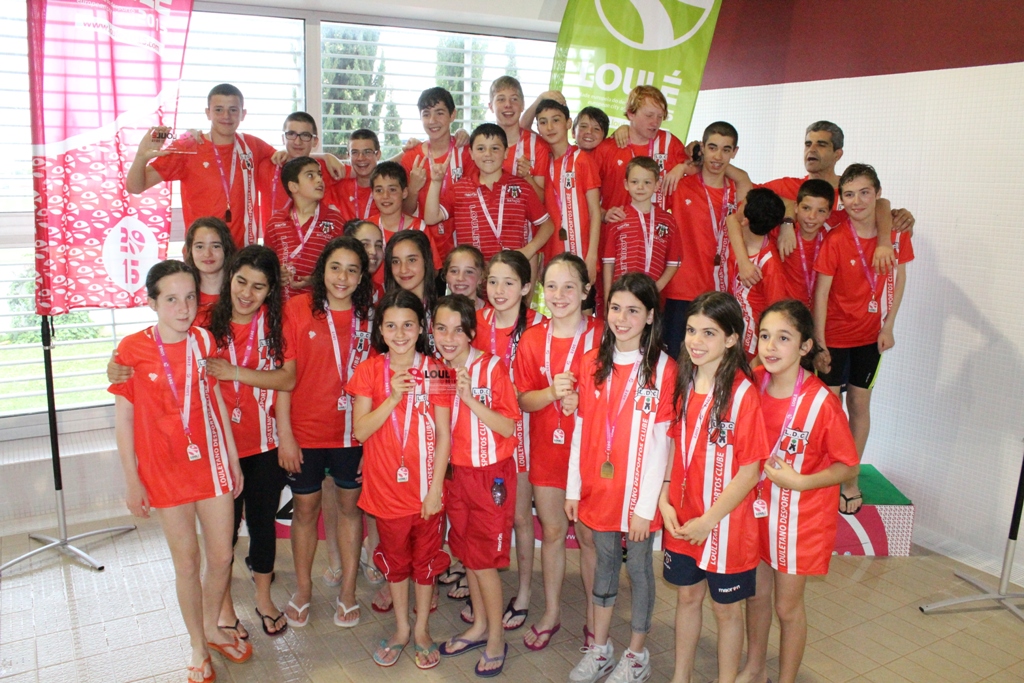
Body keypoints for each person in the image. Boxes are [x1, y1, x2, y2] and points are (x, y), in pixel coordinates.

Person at [111, 260, 248, 683]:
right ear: (152, 302)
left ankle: (211, 627)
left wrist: (232, 457)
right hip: (163, 470)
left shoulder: (205, 341)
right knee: (187, 563)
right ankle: (196, 645)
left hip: (210, 465)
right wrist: (132, 480)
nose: (184, 308)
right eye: (171, 299)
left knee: (222, 556)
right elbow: (124, 419)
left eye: (190, 297)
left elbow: (216, 401)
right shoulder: (131, 350)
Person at [737, 300, 859, 683]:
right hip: (755, 509)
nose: (771, 346)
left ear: (805, 346)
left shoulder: (822, 402)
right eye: (765, 336)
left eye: (784, 338)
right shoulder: (753, 383)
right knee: (756, 596)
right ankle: (755, 668)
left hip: (799, 521)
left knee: (787, 608)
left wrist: (801, 482)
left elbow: (848, 465)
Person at [565, 273, 677, 683]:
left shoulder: (664, 369)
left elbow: (662, 444)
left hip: (638, 497)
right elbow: (581, 428)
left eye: (633, 310)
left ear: (649, 316)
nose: (622, 318)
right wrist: (574, 488)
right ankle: (600, 649)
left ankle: (636, 654)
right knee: (605, 566)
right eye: (615, 308)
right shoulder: (592, 363)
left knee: (640, 571)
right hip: (599, 489)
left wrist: (645, 508)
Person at [659, 291, 769, 683]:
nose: (696, 341)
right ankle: (681, 677)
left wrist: (709, 520)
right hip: (683, 517)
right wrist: (664, 498)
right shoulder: (683, 381)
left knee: (726, 610)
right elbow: (674, 446)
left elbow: (750, 472)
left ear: (732, 338)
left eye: (709, 333)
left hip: (724, 524)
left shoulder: (742, 394)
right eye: (691, 330)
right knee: (687, 597)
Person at [349, 289, 451, 670]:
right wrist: (391, 398)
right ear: (380, 330)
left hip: (427, 491)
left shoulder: (438, 371)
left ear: (421, 328)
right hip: (386, 491)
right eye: (391, 326)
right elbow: (360, 431)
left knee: (425, 562)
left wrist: (436, 488)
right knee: (396, 562)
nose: (400, 333)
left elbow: (445, 435)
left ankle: (422, 630)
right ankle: (402, 629)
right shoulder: (369, 371)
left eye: (408, 325)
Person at [277, 236, 375, 629]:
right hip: (305, 431)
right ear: (322, 270)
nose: (343, 277)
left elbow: (380, 381)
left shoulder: (370, 318)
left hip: (354, 434)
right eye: (336, 267)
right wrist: (285, 434)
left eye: (352, 270)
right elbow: (284, 377)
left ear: (362, 277)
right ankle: (303, 590)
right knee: (305, 510)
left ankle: (348, 592)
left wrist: (374, 443)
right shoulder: (297, 309)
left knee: (351, 510)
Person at [203, 245, 295, 638]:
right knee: (222, 535)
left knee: (262, 524)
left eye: (258, 287)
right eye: (241, 281)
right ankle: (224, 607)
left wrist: (234, 372)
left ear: (270, 290)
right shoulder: (205, 323)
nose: (247, 293)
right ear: (230, 279)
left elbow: (287, 379)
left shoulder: (277, 326)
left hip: (264, 446)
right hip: (219, 449)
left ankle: (263, 598)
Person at [513, 253, 601, 651]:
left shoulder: (604, 335)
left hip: (591, 454)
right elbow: (523, 399)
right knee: (551, 532)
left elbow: (620, 394)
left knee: (588, 537)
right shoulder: (533, 338)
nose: (560, 295)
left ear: (585, 291)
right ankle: (551, 612)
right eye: (552, 286)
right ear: (541, 292)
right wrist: (551, 393)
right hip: (548, 449)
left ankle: (595, 617)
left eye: (569, 286)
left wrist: (584, 400)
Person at [813, 163, 913, 514]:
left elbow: (899, 280)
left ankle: (849, 479)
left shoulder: (896, 236)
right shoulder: (835, 238)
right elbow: (821, 295)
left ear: (877, 193)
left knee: (859, 406)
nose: (857, 201)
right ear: (841, 199)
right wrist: (820, 342)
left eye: (865, 193)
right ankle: (827, 476)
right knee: (831, 411)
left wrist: (889, 326)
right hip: (835, 337)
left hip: (871, 337)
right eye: (850, 194)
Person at [433, 294, 521, 677]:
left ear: (471, 332)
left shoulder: (492, 368)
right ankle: (480, 626)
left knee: (484, 562)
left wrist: (469, 399)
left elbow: (508, 426)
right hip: (456, 476)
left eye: (457, 330)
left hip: (490, 476)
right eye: (441, 328)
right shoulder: (437, 371)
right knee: (468, 554)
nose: (448, 338)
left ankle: (496, 639)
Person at [734, 121, 914, 284]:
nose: (811, 150)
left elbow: (880, 204)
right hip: (790, 293)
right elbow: (745, 194)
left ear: (838, 154)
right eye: (808, 144)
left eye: (821, 144)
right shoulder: (786, 187)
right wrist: (787, 220)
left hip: (834, 295)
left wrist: (891, 229)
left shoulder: (851, 193)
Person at [473, 250, 546, 629]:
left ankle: (524, 592)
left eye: (509, 282)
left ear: (526, 287)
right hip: (479, 430)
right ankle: (483, 590)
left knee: (519, 516)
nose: (499, 290)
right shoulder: (475, 321)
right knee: (483, 513)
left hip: (525, 431)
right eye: (493, 281)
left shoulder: (539, 325)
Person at [127, 84, 275, 247]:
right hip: (202, 254)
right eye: (218, 110)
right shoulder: (188, 147)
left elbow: (283, 164)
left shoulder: (252, 145)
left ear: (243, 114)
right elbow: (135, 187)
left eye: (233, 110)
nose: (226, 116)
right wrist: (141, 157)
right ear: (208, 113)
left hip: (242, 253)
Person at [424, 123, 554, 263]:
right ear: (471, 153)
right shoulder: (459, 189)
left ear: (506, 152)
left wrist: (528, 250)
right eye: (481, 148)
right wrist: (436, 182)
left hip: (509, 270)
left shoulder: (522, 188)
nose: (488, 154)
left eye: (495, 148)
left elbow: (548, 225)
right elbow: (431, 218)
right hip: (474, 271)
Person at [665, 121, 741, 358]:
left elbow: (783, 203)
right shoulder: (679, 185)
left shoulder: (738, 191)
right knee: (675, 363)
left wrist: (787, 224)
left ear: (735, 152)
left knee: (715, 365)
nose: (718, 156)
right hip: (681, 291)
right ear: (702, 148)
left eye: (726, 149)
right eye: (712, 148)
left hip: (721, 293)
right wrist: (683, 166)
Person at [535, 99, 602, 289]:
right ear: (538, 128)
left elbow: (595, 212)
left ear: (568, 123)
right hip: (553, 255)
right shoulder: (543, 163)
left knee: (583, 306)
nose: (549, 127)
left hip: (582, 254)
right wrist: (542, 258)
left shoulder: (582, 160)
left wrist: (592, 256)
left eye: (556, 120)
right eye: (543, 122)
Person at [593, 86, 689, 213]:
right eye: (649, 115)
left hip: (656, 224)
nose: (655, 122)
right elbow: (586, 194)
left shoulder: (669, 143)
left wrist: (683, 167)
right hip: (616, 224)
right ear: (631, 114)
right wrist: (604, 215)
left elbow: (700, 168)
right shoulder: (607, 148)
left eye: (660, 117)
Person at [402, 86, 472, 259]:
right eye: (426, 114)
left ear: (452, 115)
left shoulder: (467, 153)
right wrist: (413, 189)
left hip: (462, 245)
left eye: (439, 113)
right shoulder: (411, 157)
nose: (432, 120)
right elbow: (406, 211)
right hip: (423, 247)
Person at [263, 156, 346, 299]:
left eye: (319, 175)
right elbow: (266, 264)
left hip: (319, 302)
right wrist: (276, 273)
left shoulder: (335, 220)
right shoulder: (275, 222)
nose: (319, 180)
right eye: (310, 175)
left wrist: (316, 279)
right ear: (293, 186)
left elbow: (343, 264)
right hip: (282, 303)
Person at [601, 156, 681, 303]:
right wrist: (608, 299)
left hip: (652, 298)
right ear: (626, 184)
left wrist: (656, 288)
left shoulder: (668, 220)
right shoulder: (617, 218)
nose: (640, 187)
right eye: (634, 182)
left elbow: (673, 262)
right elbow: (609, 263)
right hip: (621, 295)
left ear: (657, 185)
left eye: (647, 182)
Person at [728, 188, 788, 360]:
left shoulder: (770, 264)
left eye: (743, 203)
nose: (739, 205)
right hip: (732, 329)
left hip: (752, 342)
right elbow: (730, 220)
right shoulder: (738, 237)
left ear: (745, 220)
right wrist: (743, 261)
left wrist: (760, 358)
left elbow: (777, 313)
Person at [258, 111, 346, 224]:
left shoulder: (325, 167)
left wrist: (326, 156)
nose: (297, 141)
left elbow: (362, 170)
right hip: (274, 234)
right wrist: (324, 155)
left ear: (315, 141)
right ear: (283, 138)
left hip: (315, 234)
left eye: (305, 135)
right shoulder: (267, 166)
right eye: (291, 134)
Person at [370, 161, 443, 283]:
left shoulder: (419, 228)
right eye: (379, 190)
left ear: (404, 192)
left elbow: (434, 270)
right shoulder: (366, 228)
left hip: (408, 293)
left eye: (392, 189)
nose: (385, 196)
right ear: (372, 193)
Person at [774, 179, 835, 310]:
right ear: (796, 207)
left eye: (821, 211)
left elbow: (877, 205)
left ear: (829, 213)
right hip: (784, 312)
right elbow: (752, 193)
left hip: (818, 313)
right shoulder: (780, 233)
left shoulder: (832, 236)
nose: (812, 216)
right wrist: (787, 223)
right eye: (806, 208)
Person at [489, 75, 549, 199]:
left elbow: (541, 199)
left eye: (514, 99)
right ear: (491, 107)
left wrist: (527, 178)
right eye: (501, 99)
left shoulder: (538, 146)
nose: (508, 104)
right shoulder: (481, 145)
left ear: (522, 105)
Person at [182, 217, 237, 328]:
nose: (207, 254)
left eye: (216, 246)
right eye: (199, 247)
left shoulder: (242, 293)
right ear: (190, 251)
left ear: (226, 249)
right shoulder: (182, 295)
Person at [328, 128, 382, 222]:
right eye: (355, 152)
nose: (361, 158)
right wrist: (326, 156)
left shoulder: (387, 190)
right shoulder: (337, 182)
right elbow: (301, 161)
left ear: (378, 155)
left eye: (367, 152)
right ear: (348, 156)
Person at [443, 244, 486, 309]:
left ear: (481, 277)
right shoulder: (438, 311)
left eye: (469, 272)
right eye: (454, 271)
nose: (460, 278)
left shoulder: (493, 313)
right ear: (446, 275)